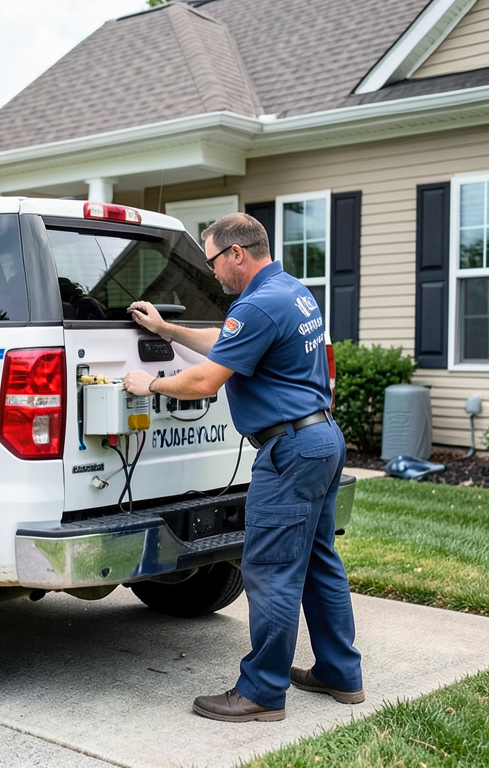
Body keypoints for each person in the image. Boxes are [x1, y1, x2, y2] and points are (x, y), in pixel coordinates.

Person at [122, 212, 363, 723]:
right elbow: (230, 341)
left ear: (237, 253)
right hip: (321, 439)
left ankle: (261, 693)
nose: (211, 273)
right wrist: (167, 329)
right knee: (319, 561)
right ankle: (340, 673)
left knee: (271, 571)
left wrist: (151, 385)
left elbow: (205, 382)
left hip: (289, 452)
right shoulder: (293, 291)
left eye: (212, 260)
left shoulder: (256, 304)